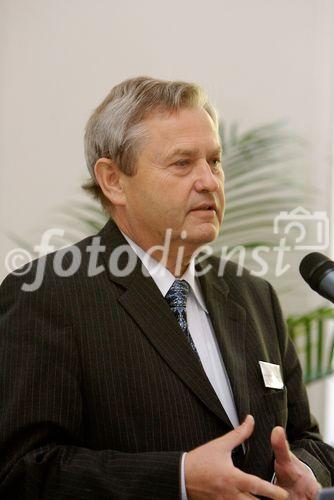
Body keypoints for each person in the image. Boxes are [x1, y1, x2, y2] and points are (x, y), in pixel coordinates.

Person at [0, 76, 333, 500]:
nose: (209, 181)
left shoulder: (254, 295)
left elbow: (306, 437)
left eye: (214, 161)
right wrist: (175, 479)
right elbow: (18, 472)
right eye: (182, 163)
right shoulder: (46, 295)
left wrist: (302, 470)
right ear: (113, 180)